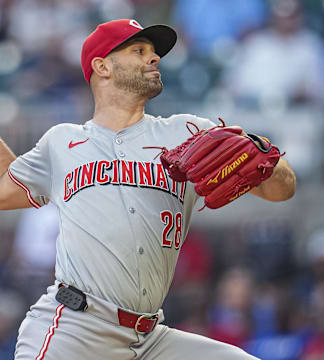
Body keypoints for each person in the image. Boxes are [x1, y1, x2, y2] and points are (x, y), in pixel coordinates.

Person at [0, 18, 296, 360]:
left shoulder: (189, 132)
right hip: (76, 329)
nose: (153, 58)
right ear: (102, 66)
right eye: (139, 50)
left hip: (150, 338)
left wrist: (257, 150)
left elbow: (282, 190)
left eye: (154, 52)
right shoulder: (62, 142)